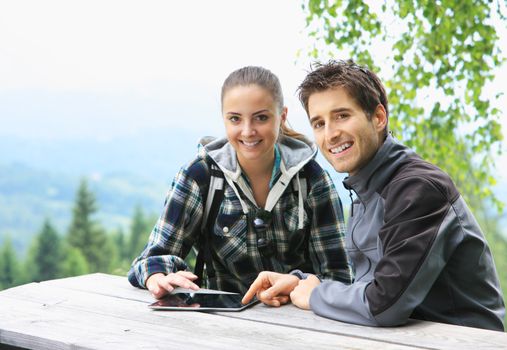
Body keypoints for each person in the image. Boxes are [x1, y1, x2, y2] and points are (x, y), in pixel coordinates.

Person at [242, 60, 505, 331]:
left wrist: (317, 294)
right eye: (319, 123)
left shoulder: (418, 189)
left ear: (378, 118)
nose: (330, 134)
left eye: (342, 115)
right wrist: (300, 283)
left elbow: (384, 305)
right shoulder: (365, 192)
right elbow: (366, 290)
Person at [128, 66, 352, 299]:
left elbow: (339, 277)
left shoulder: (312, 179)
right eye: (235, 119)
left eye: (261, 117)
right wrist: (156, 277)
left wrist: (298, 282)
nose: (247, 131)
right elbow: (149, 260)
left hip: (299, 322)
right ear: (223, 119)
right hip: (220, 323)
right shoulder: (201, 176)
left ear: (282, 116)